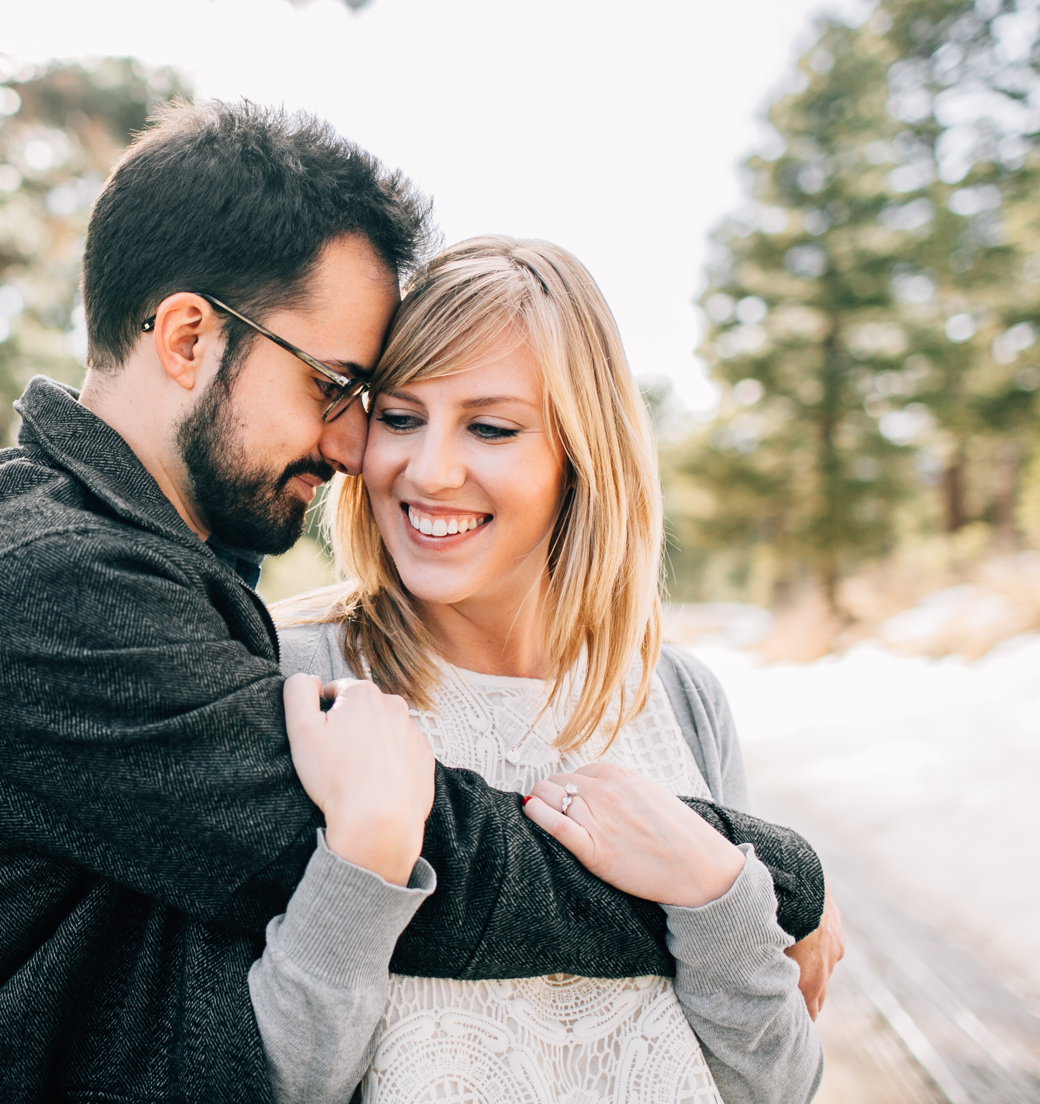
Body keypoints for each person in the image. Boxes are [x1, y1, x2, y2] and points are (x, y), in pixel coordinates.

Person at [0, 102, 829, 1104]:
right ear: (188, 339)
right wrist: (768, 874)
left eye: (489, 426)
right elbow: (443, 875)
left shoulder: (152, 568)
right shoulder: (54, 585)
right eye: (342, 390)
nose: (363, 449)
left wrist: (731, 891)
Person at [250, 235, 842, 1104]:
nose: (429, 469)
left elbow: (775, 1086)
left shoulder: (679, 698)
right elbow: (264, 1079)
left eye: (490, 427)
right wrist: (362, 863)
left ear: (581, 456)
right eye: (402, 418)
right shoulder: (296, 677)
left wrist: (719, 896)